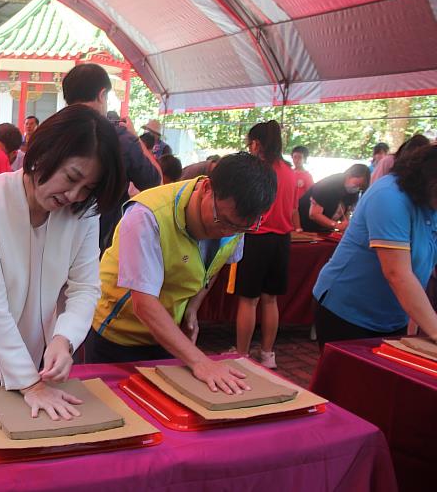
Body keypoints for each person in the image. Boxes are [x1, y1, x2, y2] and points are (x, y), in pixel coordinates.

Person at [0, 105, 125, 419]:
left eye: (87, 187)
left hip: (33, 362)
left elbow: (85, 287)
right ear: (43, 154)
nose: (73, 195)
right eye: (71, 177)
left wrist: (65, 338)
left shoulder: (84, 213)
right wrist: (30, 385)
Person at [88, 152, 277, 394]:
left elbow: (214, 266)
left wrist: (192, 308)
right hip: (118, 333)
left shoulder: (237, 223)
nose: (229, 231)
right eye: (224, 221)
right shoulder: (148, 215)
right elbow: (143, 303)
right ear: (207, 187)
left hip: (169, 334)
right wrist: (200, 360)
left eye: (242, 227)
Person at [313, 145, 437, 348]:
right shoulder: (389, 195)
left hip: (392, 317)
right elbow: (397, 273)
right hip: (347, 312)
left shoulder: (429, 204)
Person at [62, 63, 161, 252]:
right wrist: (135, 138)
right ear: (102, 95)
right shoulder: (121, 139)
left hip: (49, 239)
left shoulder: (50, 132)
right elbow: (154, 181)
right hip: (99, 244)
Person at [234, 121, 298, 368]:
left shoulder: (257, 170)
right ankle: (268, 353)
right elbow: (292, 210)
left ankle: (241, 354)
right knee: (270, 300)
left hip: (256, 237)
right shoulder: (290, 172)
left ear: (256, 143)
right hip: (282, 240)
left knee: (248, 300)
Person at [298, 164, 369, 232]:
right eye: (357, 185)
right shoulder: (327, 185)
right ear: (349, 175)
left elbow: (346, 212)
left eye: (360, 187)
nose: (357, 188)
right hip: (304, 227)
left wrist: (345, 224)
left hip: (324, 230)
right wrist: (336, 225)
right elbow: (314, 214)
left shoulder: (352, 192)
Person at [290, 145, 314, 215]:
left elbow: (311, 194)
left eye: (300, 157)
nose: (297, 160)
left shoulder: (307, 176)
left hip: (300, 208)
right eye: (295, 157)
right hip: (288, 205)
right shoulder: (289, 173)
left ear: (305, 159)